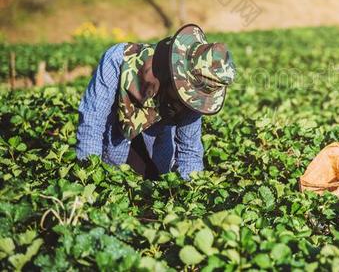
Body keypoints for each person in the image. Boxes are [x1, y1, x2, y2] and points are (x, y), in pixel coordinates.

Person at [75, 23, 236, 180]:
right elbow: (92, 119)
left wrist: (192, 194)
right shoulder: (118, 60)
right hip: (113, 139)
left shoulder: (196, 99)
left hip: (155, 148)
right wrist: (89, 179)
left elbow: (190, 151)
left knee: (151, 183)